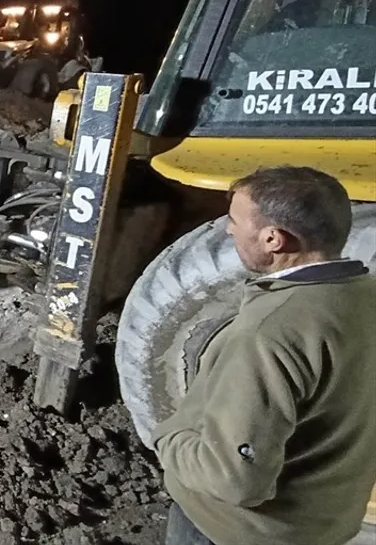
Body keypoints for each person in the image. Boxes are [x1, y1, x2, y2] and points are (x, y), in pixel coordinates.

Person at [153, 166, 376, 545]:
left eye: (236, 221)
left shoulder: (269, 335)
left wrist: (169, 440)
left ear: (273, 239)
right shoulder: (364, 294)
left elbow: (235, 481)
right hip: (323, 523)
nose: (228, 230)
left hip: (234, 531)